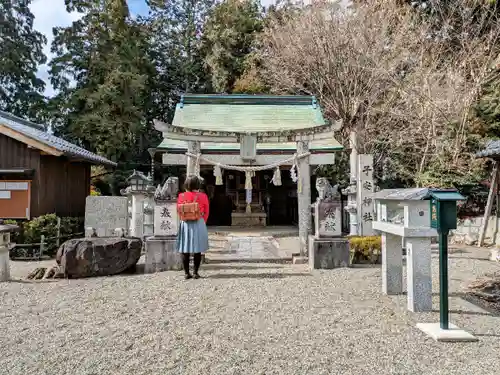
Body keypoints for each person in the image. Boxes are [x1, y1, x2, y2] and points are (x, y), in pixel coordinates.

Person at [176, 175, 210, 279]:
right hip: (198, 222)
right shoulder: (203, 196)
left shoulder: (181, 196)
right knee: (197, 249)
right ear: (198, 184)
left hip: (185, 223)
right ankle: (195, 272)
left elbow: (178, 210)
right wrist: (202, 221)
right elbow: (207, 211)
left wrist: (184, 218)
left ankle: (186, 273)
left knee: (185, 248)